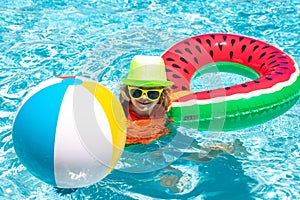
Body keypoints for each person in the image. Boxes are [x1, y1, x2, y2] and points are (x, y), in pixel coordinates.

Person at [120, 55, 174, 145]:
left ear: (162, 94)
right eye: (136, 92)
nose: (144, 98)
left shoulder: (170, 104)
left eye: (152, 93)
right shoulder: (121, 116)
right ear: (127, 91)